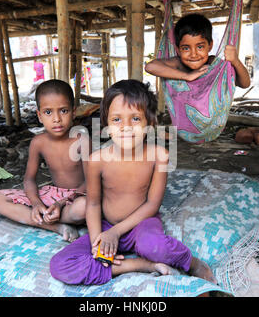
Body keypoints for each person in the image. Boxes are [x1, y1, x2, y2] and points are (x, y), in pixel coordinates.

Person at [49, 79, 217, 286]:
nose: (126, 127)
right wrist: (98, 241)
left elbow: (152, 205)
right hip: (105, 225)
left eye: (136, 118)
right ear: (106, 123)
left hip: (141, 225)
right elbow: (92, 204)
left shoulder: (159, 156)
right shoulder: (96, 160)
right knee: (61, 265)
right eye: (117, 119)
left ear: (150, 122)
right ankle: (142, 265)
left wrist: (116, 233)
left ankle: (191, 263)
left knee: (156, 247)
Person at [0, 79, 90, 242]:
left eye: (63, 111)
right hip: (52, 196)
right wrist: (36, 203)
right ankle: (55, 225)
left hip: (76, 197)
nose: (56, 119)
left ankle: (46, 217)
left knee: (84, 207)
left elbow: (91, 181)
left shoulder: (81, 140)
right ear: (39, 115)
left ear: (74, 111)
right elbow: (29, 179)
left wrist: (61, 204)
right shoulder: (38, 142)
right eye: (48, 112)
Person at [145, 13, 250, 88]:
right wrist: (187, 76)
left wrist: (235, 61)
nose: (193, 54)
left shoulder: (213, 63)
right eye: (186, 48)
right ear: (177, 49)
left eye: (200, 47)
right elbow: (150, 67)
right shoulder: (178, 63)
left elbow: (244, 84)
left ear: (210, 46)